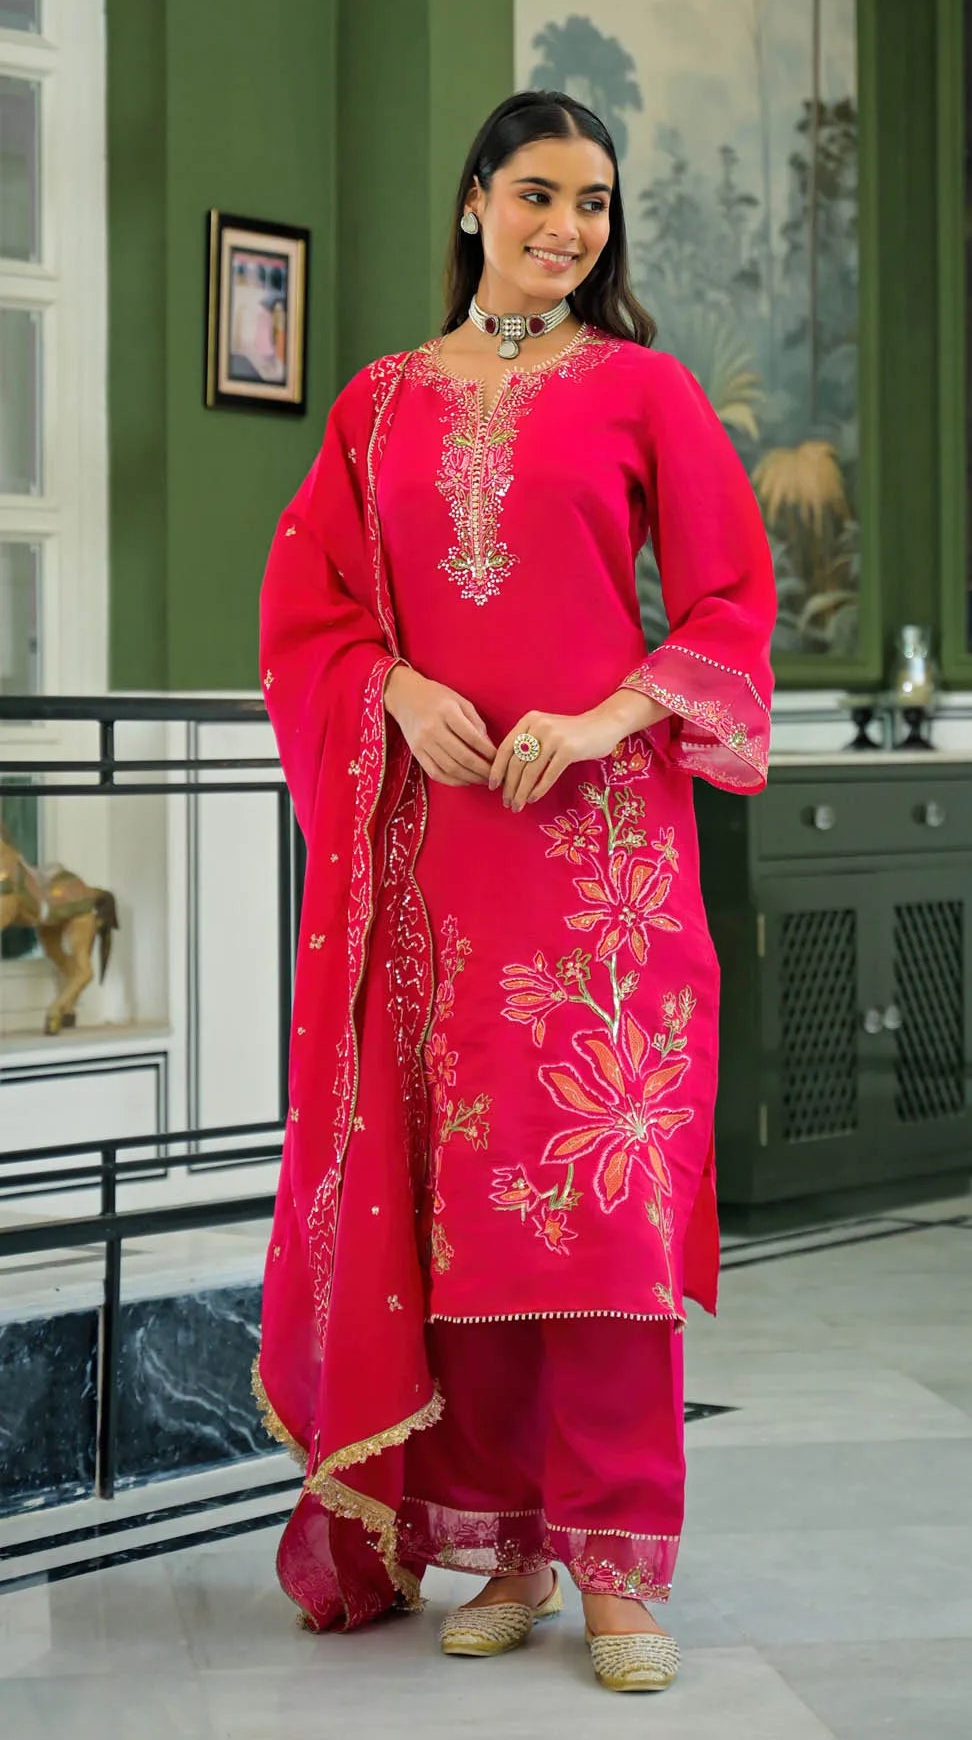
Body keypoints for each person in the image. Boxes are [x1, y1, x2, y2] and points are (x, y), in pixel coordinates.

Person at [255, 88, 776, 1693]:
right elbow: (310, 612)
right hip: (436, 861)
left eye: (597, 205)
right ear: (477, 198)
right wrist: (393, 690)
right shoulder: (379, 405)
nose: (569, 229)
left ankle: (620, 1565)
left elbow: (731, 597)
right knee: (460, 1202)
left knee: (598, 1211)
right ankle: (504, 1542)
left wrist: (611, 712)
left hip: (603, 863)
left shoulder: (645, 393)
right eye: (540, 194)